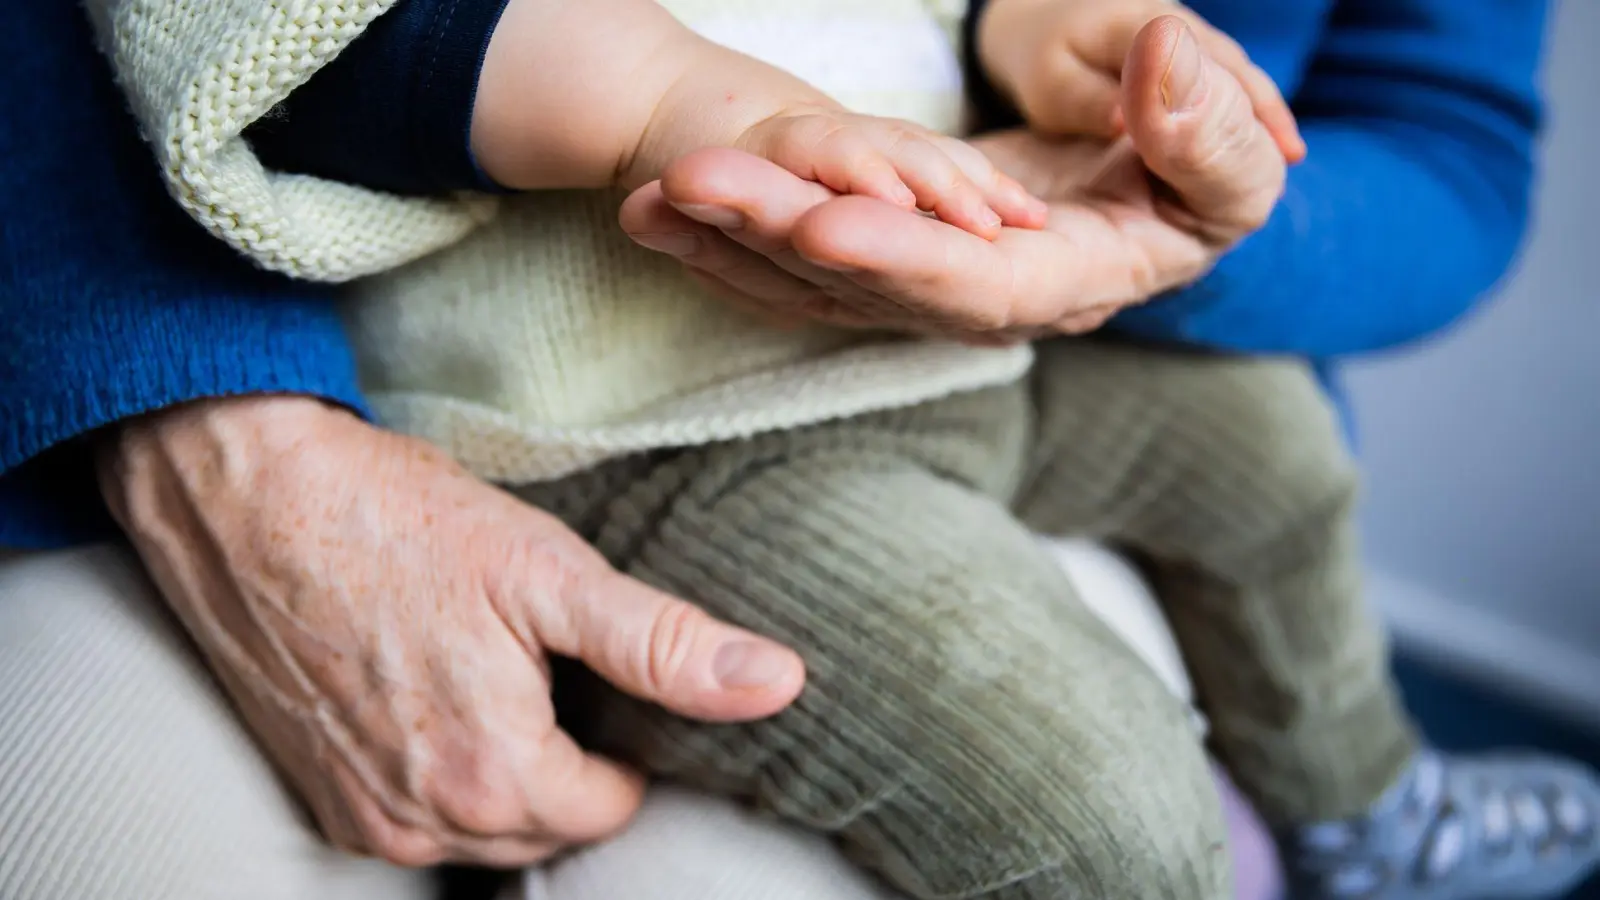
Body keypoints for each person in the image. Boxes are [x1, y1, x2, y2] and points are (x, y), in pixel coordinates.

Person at [0, 4, 1583, 900]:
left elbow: (1444, 142)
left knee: (1274, 456)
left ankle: (1361, 804)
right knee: (1092, 814)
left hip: (971, 323)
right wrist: (672, 102)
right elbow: (295, 36)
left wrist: (1056, 44)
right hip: (666, 439)